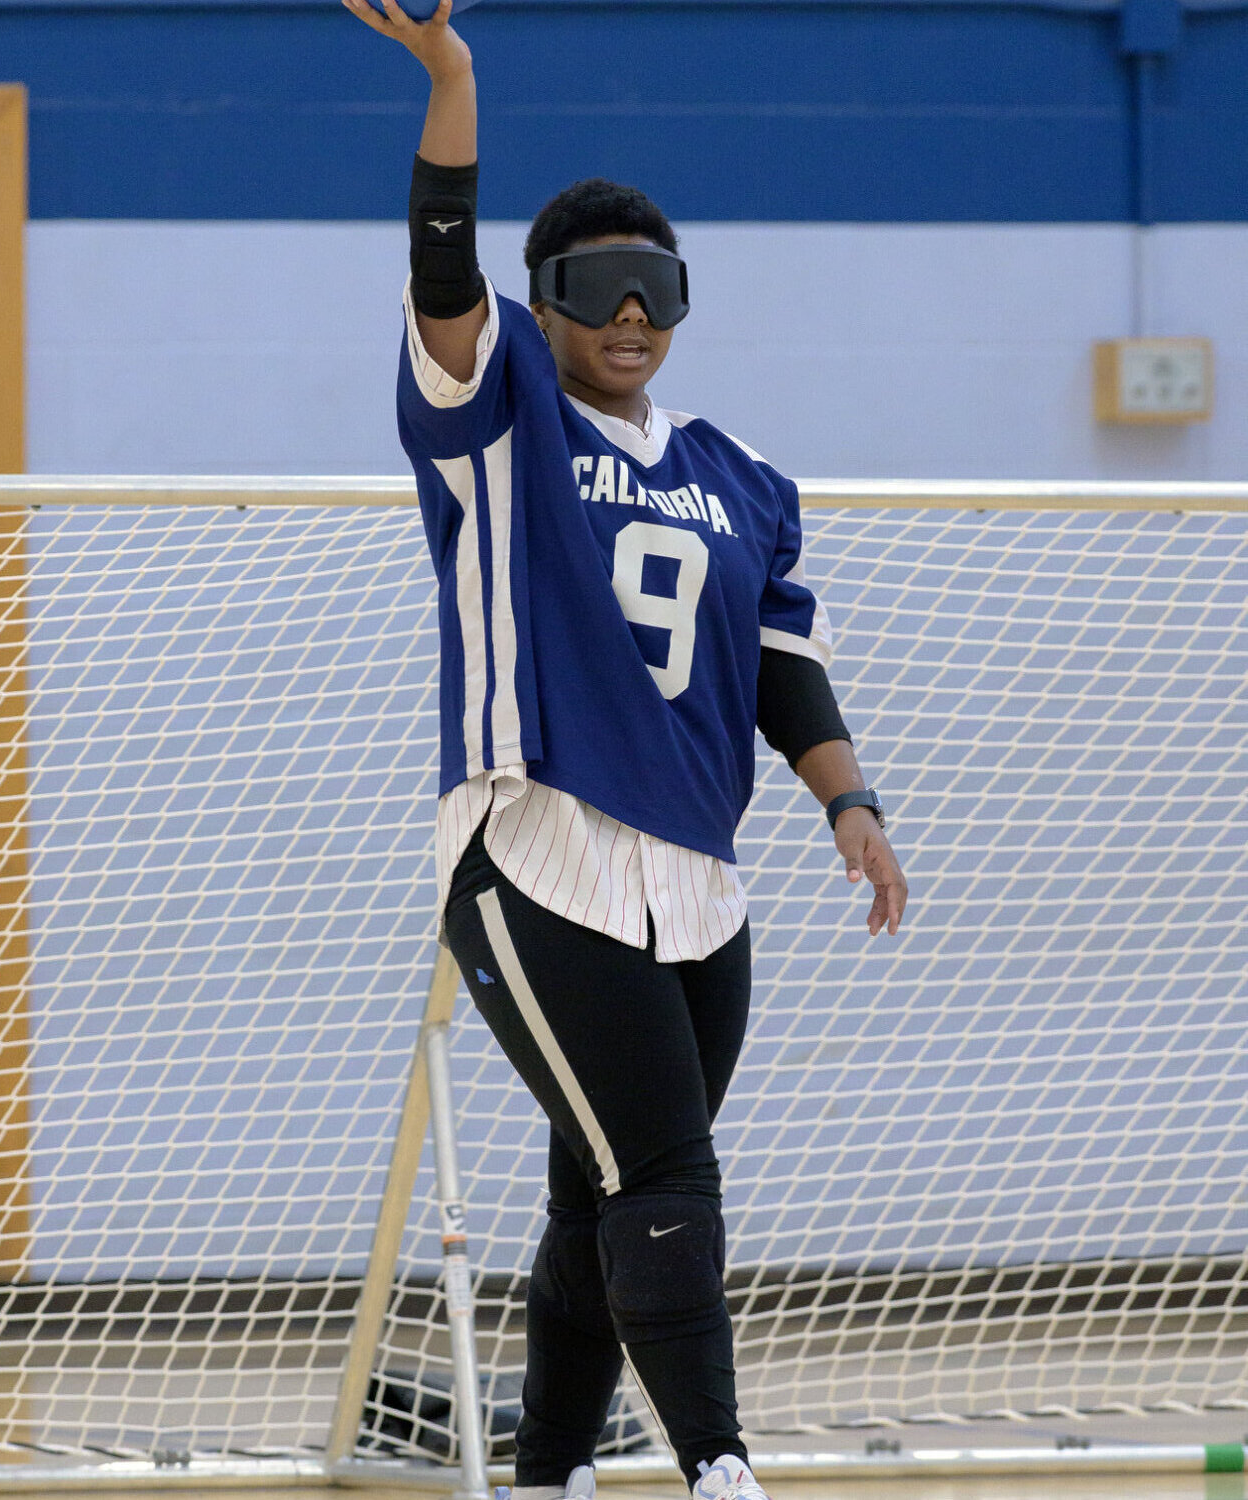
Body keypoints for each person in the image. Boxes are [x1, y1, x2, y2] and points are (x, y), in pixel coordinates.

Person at [343, 2, 909, 1497]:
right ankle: (721, 1468)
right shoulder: (501, 412)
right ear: (546, 305)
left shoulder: (744, 479)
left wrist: (849, 805)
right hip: (537, 842)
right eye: (598, 286)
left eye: (655, 284)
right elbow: (441, 272)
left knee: (598, 1181)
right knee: (664, 1172)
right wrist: (455, 84)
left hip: (698, 878)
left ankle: (550, 1478)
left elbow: (784, 664)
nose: (632, 313)